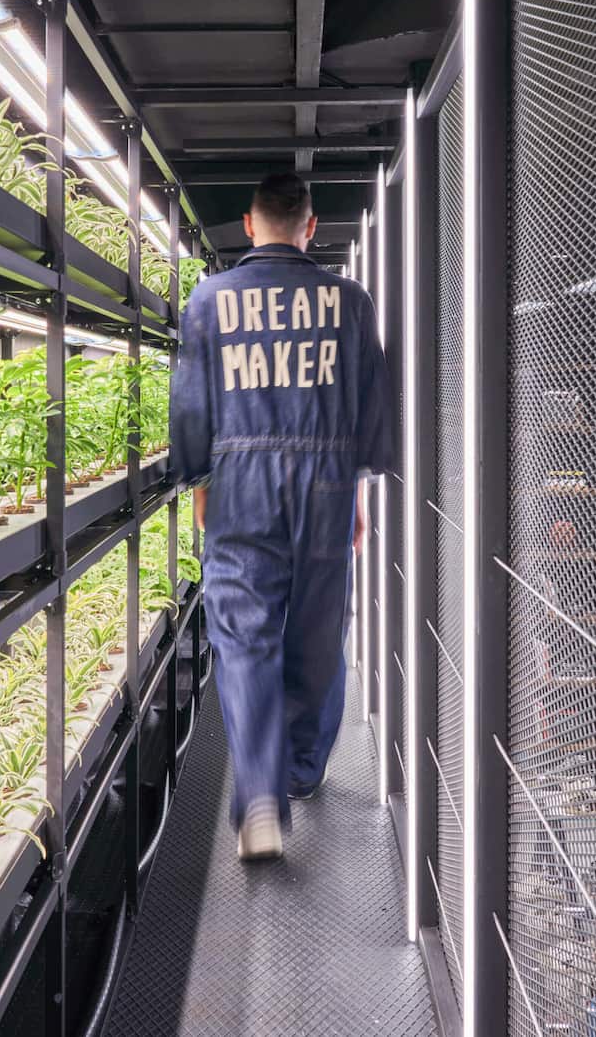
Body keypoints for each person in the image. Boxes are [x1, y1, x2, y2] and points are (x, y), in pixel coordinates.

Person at [168, 172, 396, 861]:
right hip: (325, 482)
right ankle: (301, 768)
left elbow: (190, 404)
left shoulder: (210, 301)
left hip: (240, 483)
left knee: (243, 638)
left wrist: (199, 481)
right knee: (319, 631)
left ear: (247, 222)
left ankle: (260, 794)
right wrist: (354, 488)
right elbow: (370, 404)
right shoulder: (348, 302)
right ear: (310, 226)